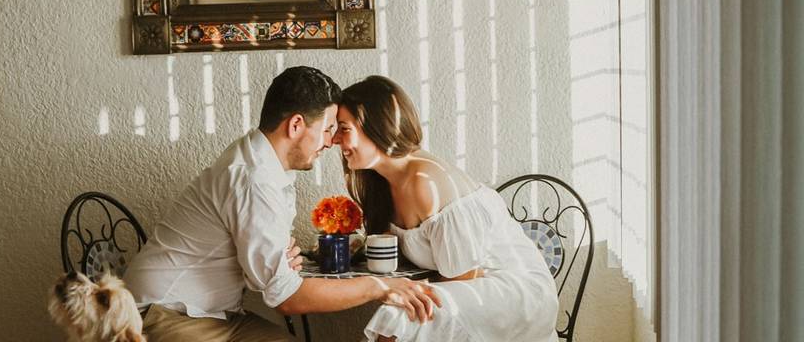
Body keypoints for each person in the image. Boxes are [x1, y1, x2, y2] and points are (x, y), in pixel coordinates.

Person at [124, 66, 441, 342]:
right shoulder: (255, 179)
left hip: (206, 313)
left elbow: (262, 275)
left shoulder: (262, 163)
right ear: (296, 125)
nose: (331, 141)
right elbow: (286, 298)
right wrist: (379, 286)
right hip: (164, 316)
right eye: (328, 128)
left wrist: (273, 262)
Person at [333, 75, 559, 342]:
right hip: (469, 287)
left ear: (377, 127)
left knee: (403, 313)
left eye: (344, 128)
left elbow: (465, 278)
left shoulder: (425, 182)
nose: (335, 139)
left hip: (512, 292)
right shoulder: (384, 184)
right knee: (405, 306)